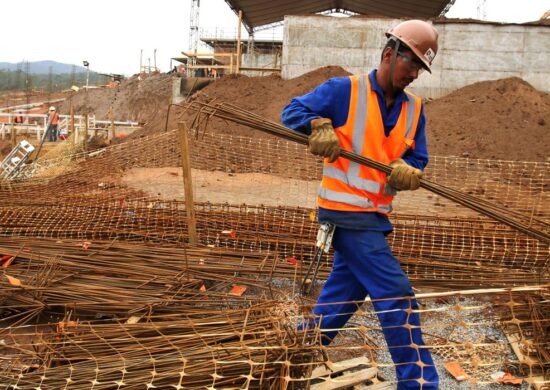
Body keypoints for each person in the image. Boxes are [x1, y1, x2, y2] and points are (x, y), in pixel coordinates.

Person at [282, 20, 439, 389]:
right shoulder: (343, 91)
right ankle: (420, 383)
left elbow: (418, 159)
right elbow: (290, 112)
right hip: (345, 215)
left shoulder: (414, 110)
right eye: (410, 63)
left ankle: (292, 352)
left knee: (343, 296)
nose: (414, 74)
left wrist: (408, 171)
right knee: (396, 292)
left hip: (375, 216)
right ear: (389, 53)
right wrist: (318, 124)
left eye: (420, 68)